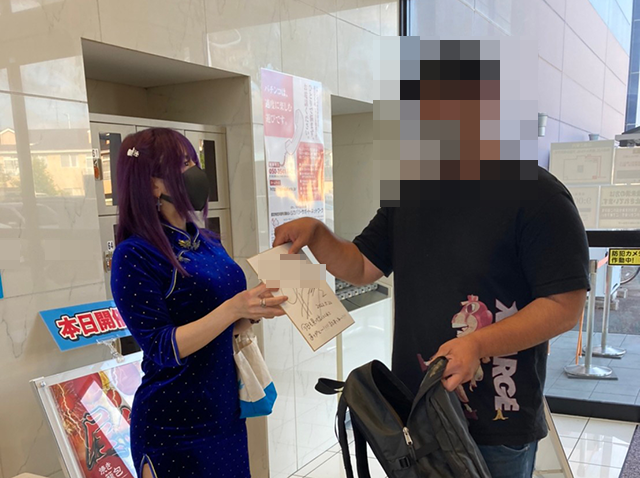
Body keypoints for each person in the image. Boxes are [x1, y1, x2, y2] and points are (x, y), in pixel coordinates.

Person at [273, 168, 589, 478]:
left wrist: (478, 344)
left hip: (496, 420)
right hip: (416, 418)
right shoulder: (409, 189)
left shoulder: (538, 193)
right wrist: (319, 235)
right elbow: (361, 265)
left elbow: (564, 306)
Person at [111, 128, 287, 478]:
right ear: (154, 185)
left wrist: (251, 312)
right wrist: (234, 308)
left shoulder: (206, 240)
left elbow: (217, 318)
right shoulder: (134, 255)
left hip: (224, 412)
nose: (195, 171)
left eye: (194, 161)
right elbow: (160, 346)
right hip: (174, 426)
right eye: (184, 163)